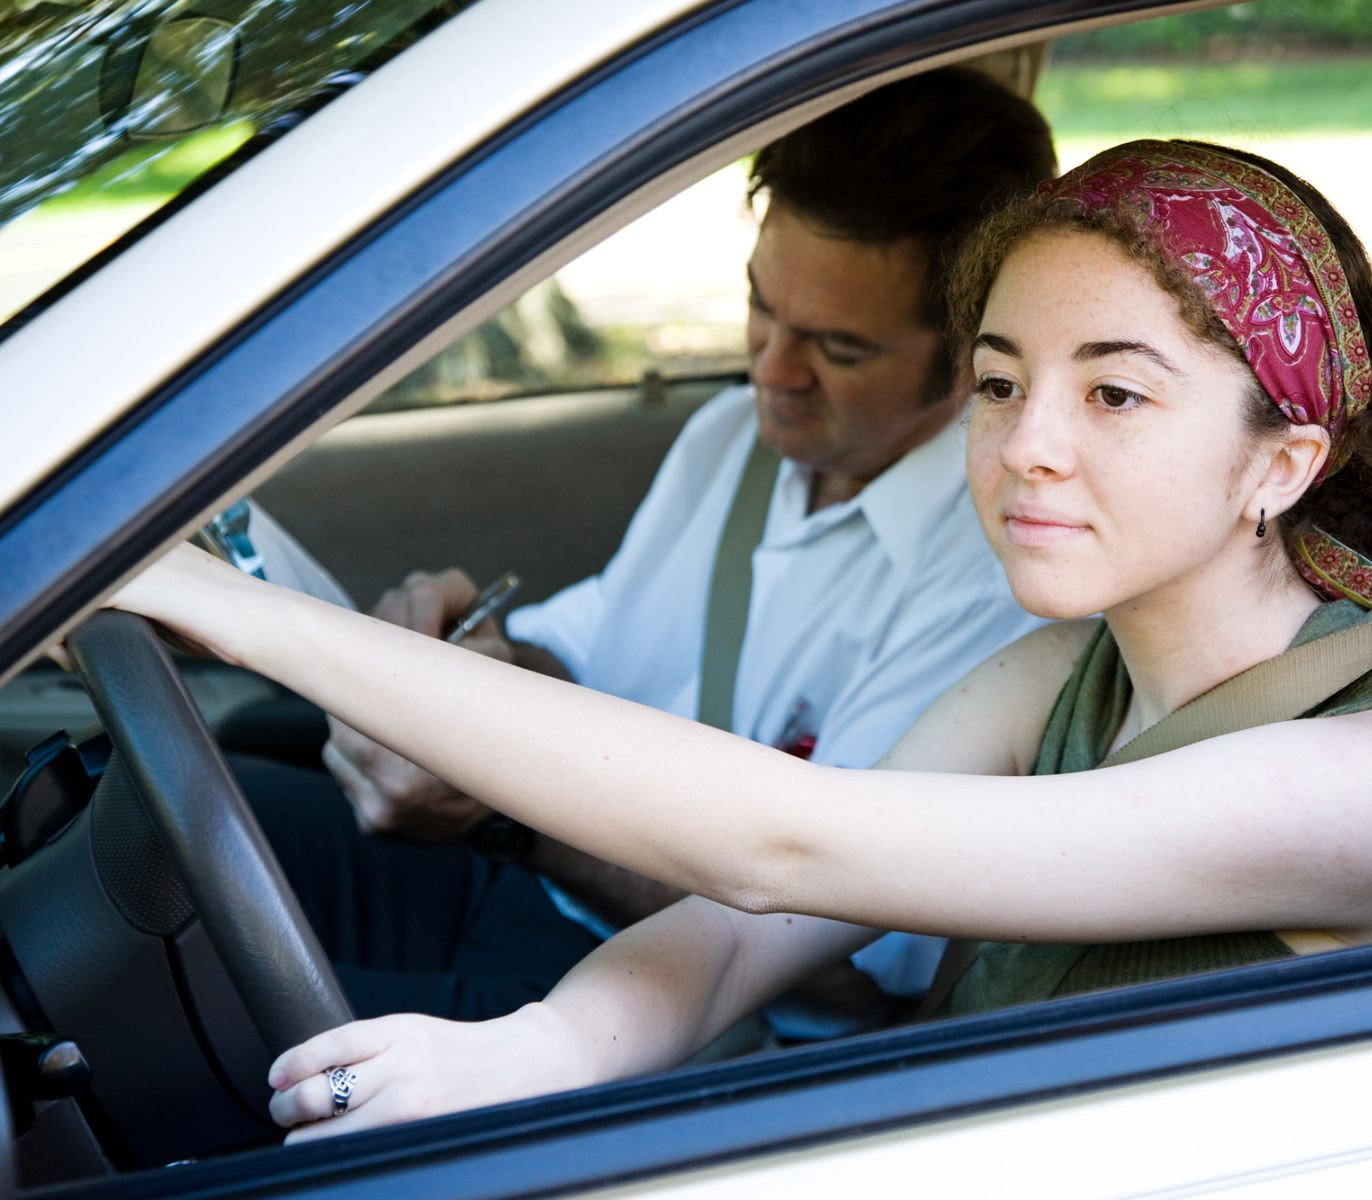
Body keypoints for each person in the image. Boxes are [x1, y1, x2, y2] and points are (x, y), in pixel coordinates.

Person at [98, 138, 1372, 1139]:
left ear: (1281, 464)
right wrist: (522, 1055)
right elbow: (755, 925)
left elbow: (784, 845)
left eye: (1113, 395)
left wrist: (227, 604)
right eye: (999, 386)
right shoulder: (1074, 669)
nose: (1025, 451)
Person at [229, 66, 1059, 1033]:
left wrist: (504, 814)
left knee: (206, 1027)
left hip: (698, 1017)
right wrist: (470, 653)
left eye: (839, 348)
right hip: (526, 897)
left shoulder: (992, 572)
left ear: (972, 355)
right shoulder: (728, 443)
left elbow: (849, 970)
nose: (772, 371)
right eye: (762, 309)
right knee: (172, 838)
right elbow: (584, 654)